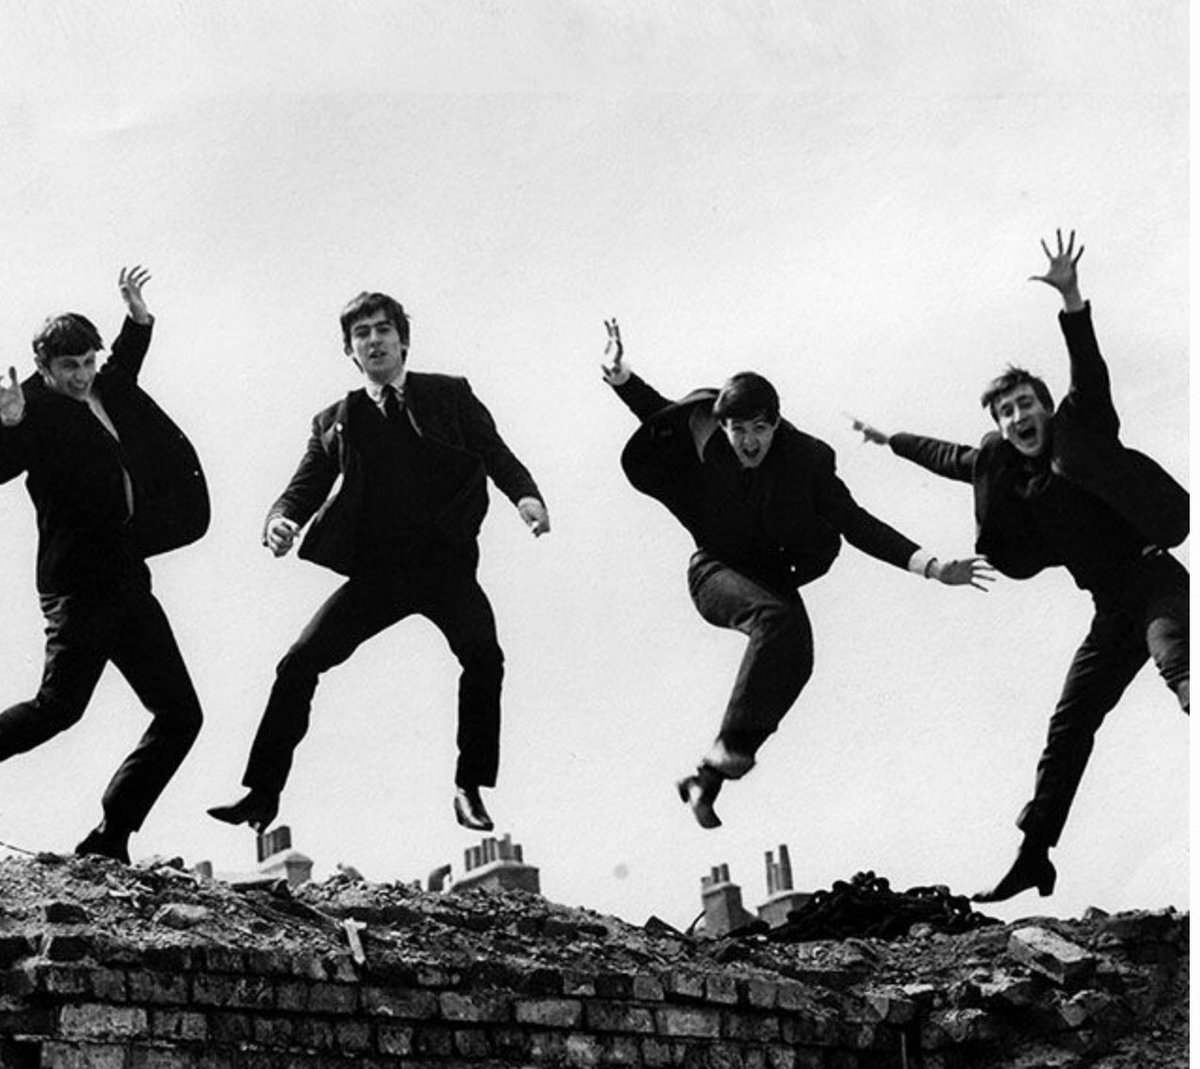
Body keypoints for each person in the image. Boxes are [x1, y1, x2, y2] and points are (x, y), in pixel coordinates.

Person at [850, 231, 1189, 902]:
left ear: (1043, 406)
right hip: (1109, 607)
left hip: (1156, 580)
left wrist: (1070, 298)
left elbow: (1088, 369)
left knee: (1176, 660)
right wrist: (890, 440)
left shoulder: (1082, 429)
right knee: (1068, 725)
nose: (1018, 417)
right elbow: (950, 457)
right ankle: (1034, 854)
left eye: (1026, 404)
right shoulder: (1004, 470)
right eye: (1007, 413)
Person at [601, 320, 992, 829]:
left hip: (771, 574)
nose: (747, 442)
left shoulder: (806, 460)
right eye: (737, 430)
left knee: (798, 659)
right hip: (714, 571)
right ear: (723, 427)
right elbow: (659, 413)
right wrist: (620, 376)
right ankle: (727, 753)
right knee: (775, 623)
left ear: (776, 424)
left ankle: (707, 779)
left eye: (759, 429)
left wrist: (932, 567)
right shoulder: (705, 439)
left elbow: (854, 522)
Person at [209, 291, 548, 835]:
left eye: (383, 330)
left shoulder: (449, 395)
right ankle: (262, 792)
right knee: (298, 663)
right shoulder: (335, 420)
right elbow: (302, 488)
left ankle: (470, 786)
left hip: (446, 567)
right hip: (379, 575)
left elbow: (495, 452)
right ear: (350, 350)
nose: (374, 340)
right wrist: (279, 522)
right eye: (361, 333)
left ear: (403, 340)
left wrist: (526, 497)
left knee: (484, 656)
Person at [0, 267, 210, 863]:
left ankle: (110, 836)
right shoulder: (34, 409)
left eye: (87, 362)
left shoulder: (108, 388)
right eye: (69, 367)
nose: (81, 376)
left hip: (128, 581)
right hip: (77, 587)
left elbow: (127, 359)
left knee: (180, 714)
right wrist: (8, 423)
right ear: (44, 367)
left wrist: (137, 316)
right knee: (57, 710)